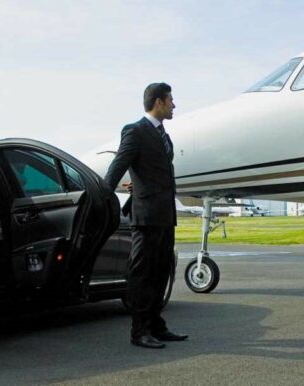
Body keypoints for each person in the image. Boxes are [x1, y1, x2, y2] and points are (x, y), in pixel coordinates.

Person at [103, 82, 188, 349]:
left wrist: (138, 183)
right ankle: (139, 331)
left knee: (162, 272)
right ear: (159, 102)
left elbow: (151, 171)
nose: (174, 105)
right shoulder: (135, 131)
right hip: (146, 216)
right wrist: (104, 196)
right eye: (171, 100)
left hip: (164, 214)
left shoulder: (164, 135)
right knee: (143, 274)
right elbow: (120, 164)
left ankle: (156, 326)